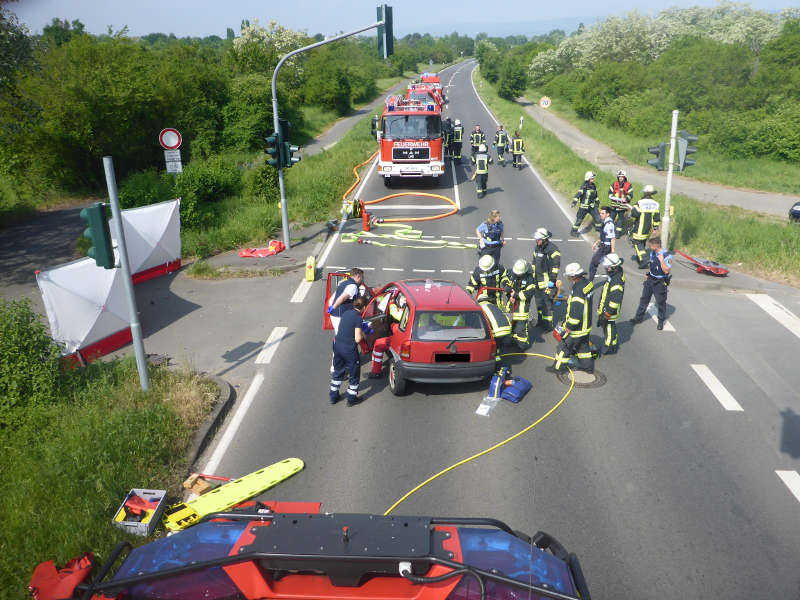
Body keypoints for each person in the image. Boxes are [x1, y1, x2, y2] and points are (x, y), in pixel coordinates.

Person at [546, 263, 595, 374]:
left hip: (577, 327)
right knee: (583, 347)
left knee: (564, 347)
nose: (568, 278)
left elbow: (576, 311)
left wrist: (569, 326)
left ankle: (558, 368)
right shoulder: (587, 283)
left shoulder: (578, 289)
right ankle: (587, 367)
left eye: (569, 276)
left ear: (574, 276)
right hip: (586, 325)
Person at [329, 296, 368, 406]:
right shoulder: (358, 318)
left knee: (338, 372)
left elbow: (346, 328)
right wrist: (365, 334)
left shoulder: (346, 313)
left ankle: (333, 396)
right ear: (364, 307)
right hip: (348, 349)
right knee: (354, 373)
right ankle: (351, 399)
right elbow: (357, 338)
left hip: (337, 346)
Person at [630, 236, 671, 330]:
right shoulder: (653, 253)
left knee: (661, 302)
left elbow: (666, 271)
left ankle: (661, 321)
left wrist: (661, 261)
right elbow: (651, 265)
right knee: (644, 299)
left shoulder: (666, 255)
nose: (649, 247)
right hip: (650, 280)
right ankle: (638, 318)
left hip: (660, 282)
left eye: (650, 245)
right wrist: (649, 275)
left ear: (655, 246)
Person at [369, 294, 406, 378]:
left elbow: (395, 313)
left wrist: (392, 302)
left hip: (405, 339)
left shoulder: (407, 313)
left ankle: (375, 372)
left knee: (378, 344)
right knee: (394, 326)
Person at [532, 227, 561, 331]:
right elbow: (534, 263)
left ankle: (548, 324)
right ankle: (541, 321)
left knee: (547, 303)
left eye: (538, 239)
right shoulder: (537, 248)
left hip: (546, 283)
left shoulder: (553, 250)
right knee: (539, 303)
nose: (536, 241)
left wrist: (552, 281)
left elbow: (555, 266)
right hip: (537, 281)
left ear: (544, 239)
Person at [596, 253, 625, 355]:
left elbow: (614, 300)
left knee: (608, 329)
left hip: (610, 311)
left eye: (608, 267)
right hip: (607, 308)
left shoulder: (616, 281)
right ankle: (614, 344)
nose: (606, 269)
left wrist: (608, 313)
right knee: (611, 327)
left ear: (614, 267)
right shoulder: (615, 274)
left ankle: (607, 348)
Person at [504, 259, 537, 349]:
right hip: (511, 305)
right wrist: (508, 293)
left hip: (522, 308)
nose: (517, 275)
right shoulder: (512, 274)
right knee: (510, 324)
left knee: (520, 328)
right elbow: (508, 285)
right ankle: (512, 340)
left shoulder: (529, 279)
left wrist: (515, 295)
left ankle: (523, 344)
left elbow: (529, 293)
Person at [629, 185, 661, 268]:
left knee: (636, 242)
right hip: (648, 229)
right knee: (642, 242)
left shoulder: (640, 203)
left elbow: (634, 213)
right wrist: (655, 228)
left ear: (644, 193)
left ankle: (643, 259)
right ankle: (640, 257)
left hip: (640, 228)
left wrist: (631, 210)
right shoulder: (655, 204)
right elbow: (656, 217)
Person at [326, 268, 365, 334]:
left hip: (337, 315)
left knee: (340, 335)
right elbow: (343, 297)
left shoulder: (344, 283)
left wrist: (331, 307)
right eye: (362, 278)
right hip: (340, 316)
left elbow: (333, 297)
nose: (362, 280)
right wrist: (334, 307)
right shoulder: (353, 286)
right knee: (342, 335)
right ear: (358, 276)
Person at [588, 206, 616, 281]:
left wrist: (613, 250)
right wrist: (596, 243)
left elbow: (612, 238)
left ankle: (590, 281)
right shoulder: (605, 222)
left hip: (606, 247)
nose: (600, 214)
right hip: (604, 245)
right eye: (600, 213)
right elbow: (604, 235)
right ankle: (612, 279)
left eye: (603, 213)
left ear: (608, 214)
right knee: (608, 264)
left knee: (594, 263)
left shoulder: (609, 224)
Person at [570, 171, 601, 237]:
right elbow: (578, 194)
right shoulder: (584, 186)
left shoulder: (593, 186)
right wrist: (574, 202)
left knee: (598, 218)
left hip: (591, 206)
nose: (593, 179)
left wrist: (597, 201)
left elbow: (595, 195)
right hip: (583, 207)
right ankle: (573, 231)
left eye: (593, 178)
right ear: (588, 178)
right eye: (592, 178)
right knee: (579, 220)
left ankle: (598, 230)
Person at [607, 169, 633, 237]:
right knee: (611, 218)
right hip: (614, 205)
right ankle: (609, 231)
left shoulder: (628, 185)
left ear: (624, 177)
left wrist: (626, 198)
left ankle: (618, 233)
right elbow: (609, 192)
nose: (621, 178)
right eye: (619, 176)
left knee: (620, 219)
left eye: (622, 177)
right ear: (618, 177)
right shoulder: (614, 184)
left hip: (622, 206)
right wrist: (611, 196)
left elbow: (631, 195)